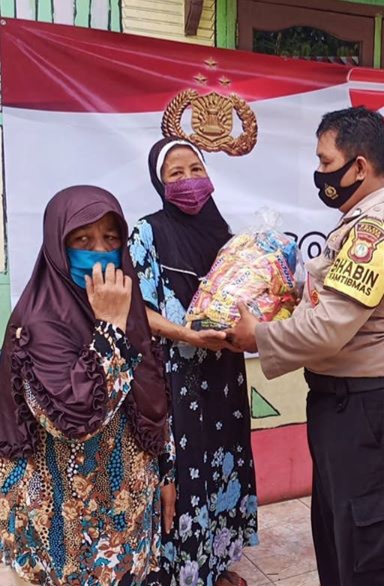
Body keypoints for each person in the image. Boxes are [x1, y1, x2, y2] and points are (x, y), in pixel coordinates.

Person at [228, 106, 384, 586]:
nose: (320, 173)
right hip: (348, 411)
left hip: (367, 414)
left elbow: (330, 328)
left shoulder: (371, 232)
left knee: (370, 561)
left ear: (358, 166)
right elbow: (330, 302)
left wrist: (259, 336)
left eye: (325, 160)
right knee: (340, 546)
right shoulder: (358, 220)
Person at [0, 186, 169, 585]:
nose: (100, 250)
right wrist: (109, 328)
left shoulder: (130, 310)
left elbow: (152, 393)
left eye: (111, 238)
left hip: (125, 514)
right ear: (58, 247)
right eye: (83, 239)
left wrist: (166, 473)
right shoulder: (37, 325)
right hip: (65, 529)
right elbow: (75, 418)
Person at [130, 138, 258, 586]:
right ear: (159, 184)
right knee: (183, 475)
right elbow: (137, 311)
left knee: (224, 464)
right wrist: (187, 334)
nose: (188, 181)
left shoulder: (227, 239)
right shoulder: (147, 232)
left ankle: (215, 564)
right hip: (174, 376)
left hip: (221, 374)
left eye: (195, 169)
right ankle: (183, 572)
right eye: (175, 174)